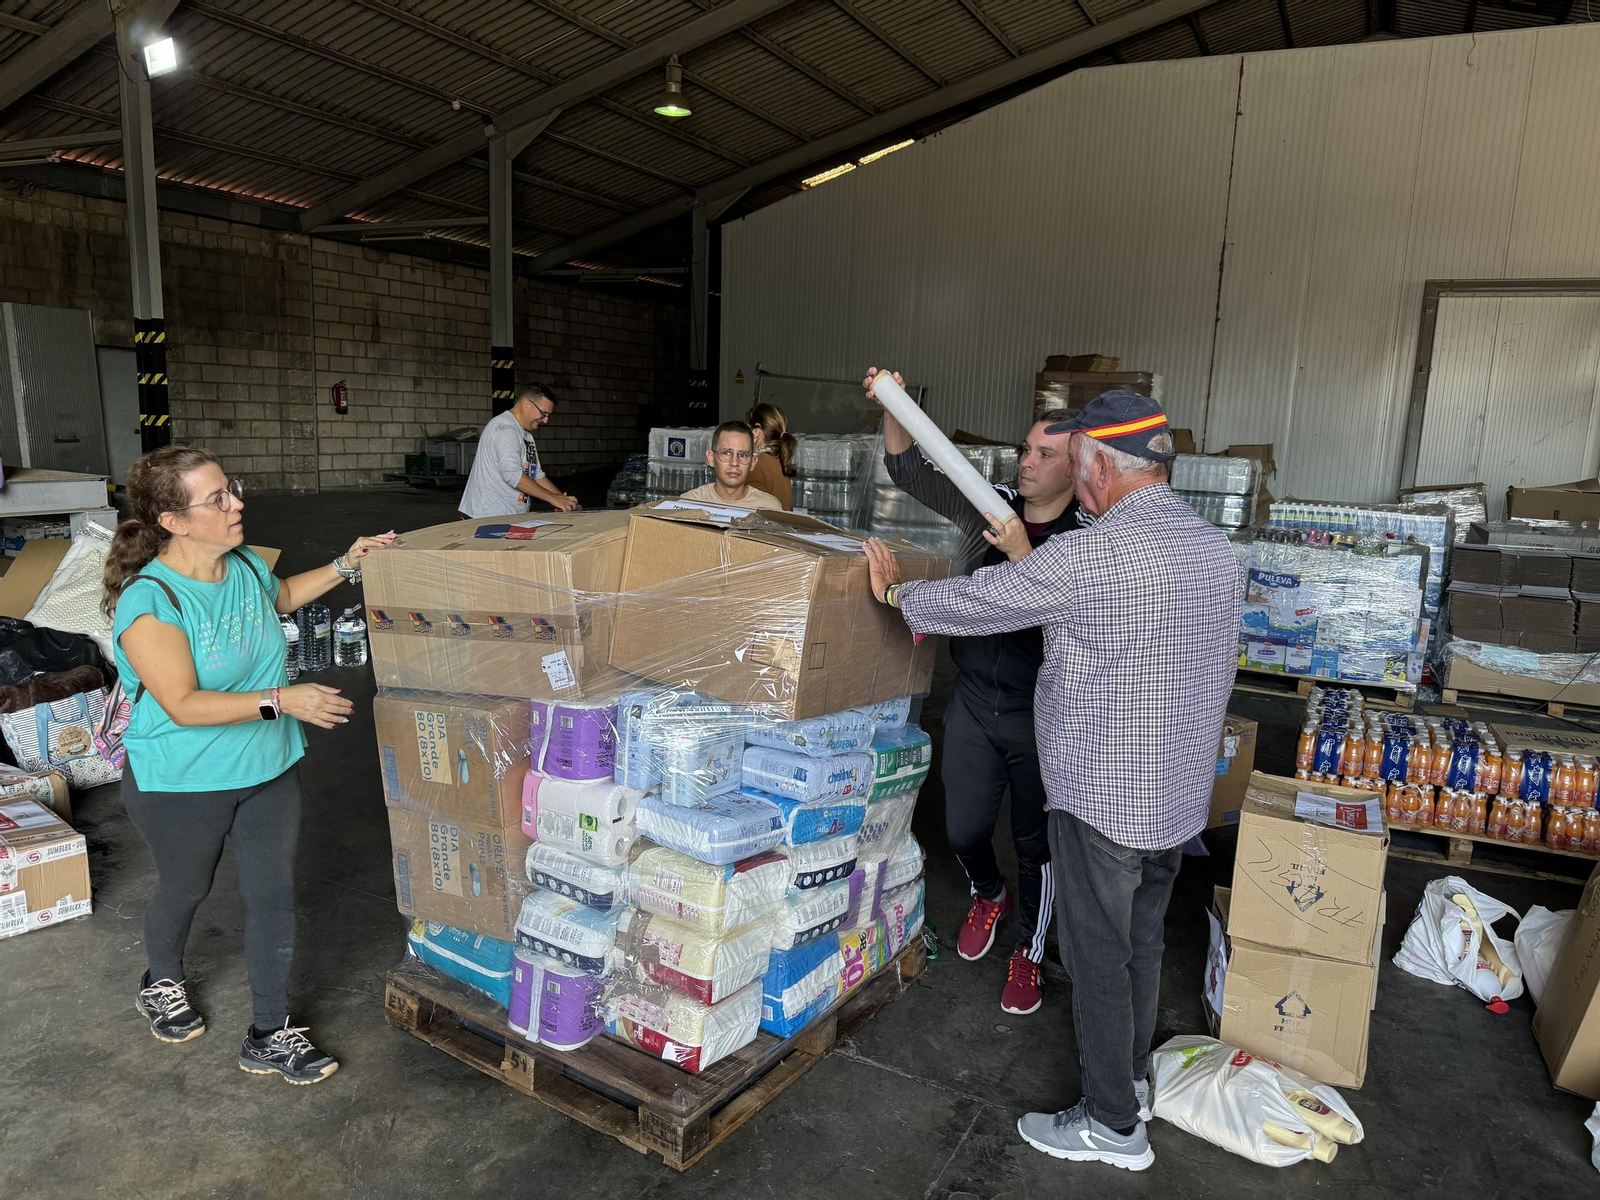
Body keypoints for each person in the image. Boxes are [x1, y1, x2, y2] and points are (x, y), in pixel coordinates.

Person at [862, 390, 1243, 1172]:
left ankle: (1112, 1125)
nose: (1072, 478)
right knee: (1139, 945)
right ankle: (1129, 1085)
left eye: (1073, 463)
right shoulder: (1213, 548)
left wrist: (898, 594)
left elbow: (981, 601)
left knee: (1099, 961)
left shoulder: (1092, 554)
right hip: (1175, 796)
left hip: (1103, 795)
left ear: (1101, 464)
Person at [102, 445, 397, 1086]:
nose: (237, 504)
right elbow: (181, 704)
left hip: (267, 765)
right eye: (218, 499)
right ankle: (162, 979)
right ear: (174, 522)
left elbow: (283, 596)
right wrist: (281, 700)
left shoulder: (241, 566)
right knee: (185, 889)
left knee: (273, 897)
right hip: (183, 780)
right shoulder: (151, 602)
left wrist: (349, 562)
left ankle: (269, 1032)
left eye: (230, 489)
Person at [864, 368, 1080, 1018]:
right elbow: (909, 471)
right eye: (1026, 449)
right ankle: (989, 891)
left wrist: (1021, 553)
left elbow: (1064, 614)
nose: (1029, 461)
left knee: (1037, 844)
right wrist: (894, 402)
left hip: (1044, 716)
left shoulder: (1088, 539)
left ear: (1078, 468)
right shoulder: (992, 506)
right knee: (961, 829)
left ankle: (1032, 953)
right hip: (975, 704)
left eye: (1046, 454)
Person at [458, 384, 578, 519]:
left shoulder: (526, 435)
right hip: (485, 518)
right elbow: (512, 474)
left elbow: (536, 475)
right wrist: (553, 498)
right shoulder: (506, 428)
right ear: (527, 404)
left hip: (508, 517)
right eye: (543, 414)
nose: (545, 420)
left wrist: (563, 500)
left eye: (548, 415)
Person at [679, 421, 783, 511]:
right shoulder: (687, 505)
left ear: (753, 462)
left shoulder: (769, 509)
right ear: (711, 458)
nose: (734, 463)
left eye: (743, 455)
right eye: (726, 453)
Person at [744, 402, 796, 511]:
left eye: (747, 429)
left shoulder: (756, 465)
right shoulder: (778, 459)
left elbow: (750, 511)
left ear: (756, 432)